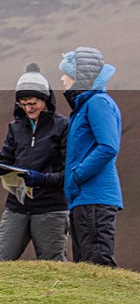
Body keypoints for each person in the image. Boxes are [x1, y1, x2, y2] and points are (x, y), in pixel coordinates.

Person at [0, 63, 69, 261]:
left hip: (51, 207)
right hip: (17, 206)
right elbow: (6, 157)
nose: (28, 109)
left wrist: (41, 179)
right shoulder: (16, 128)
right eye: (23, 104)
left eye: (32, 103)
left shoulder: (63, 127)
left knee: (53, 265)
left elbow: (68, 173)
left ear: (45, 100)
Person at [59, 46, 123, 267]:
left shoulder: (97, 103)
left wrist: (77, 175)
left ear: (79, 77)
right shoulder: (85, 105)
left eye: (67, 74)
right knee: (86, 268)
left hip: (95, 197)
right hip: (84, 199)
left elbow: (108, 146)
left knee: (98, 266)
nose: (62, 79)